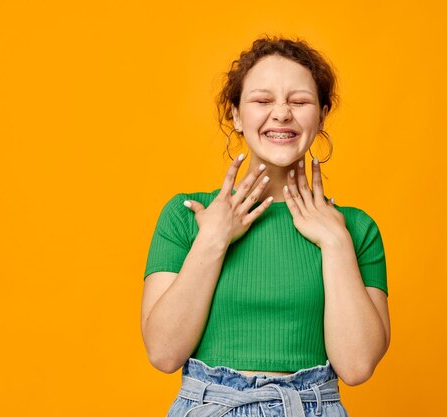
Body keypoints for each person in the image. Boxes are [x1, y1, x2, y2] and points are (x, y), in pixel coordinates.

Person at [141, 35, 391, 417]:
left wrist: (336, 243)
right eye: (262, 100)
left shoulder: (354, 229)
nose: (281, 114)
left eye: (299, 101)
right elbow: (163, 352)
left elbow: (357, 367)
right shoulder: (187, 215)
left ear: (322, 114)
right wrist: (213, 239)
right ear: (237, 114)